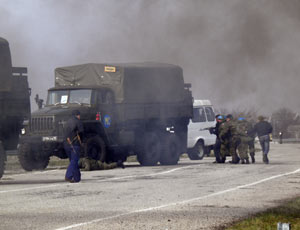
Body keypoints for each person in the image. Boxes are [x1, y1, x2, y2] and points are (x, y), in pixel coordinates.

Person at [63, 110, 84, 183]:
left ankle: (77, 178)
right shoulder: (78, 122)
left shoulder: (67, 122)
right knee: (74, 160)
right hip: (75, 144)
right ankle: (68, 176)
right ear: (77, 115)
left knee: (73, 161)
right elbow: (81, 133)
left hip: (66, 144)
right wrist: (82, 142)